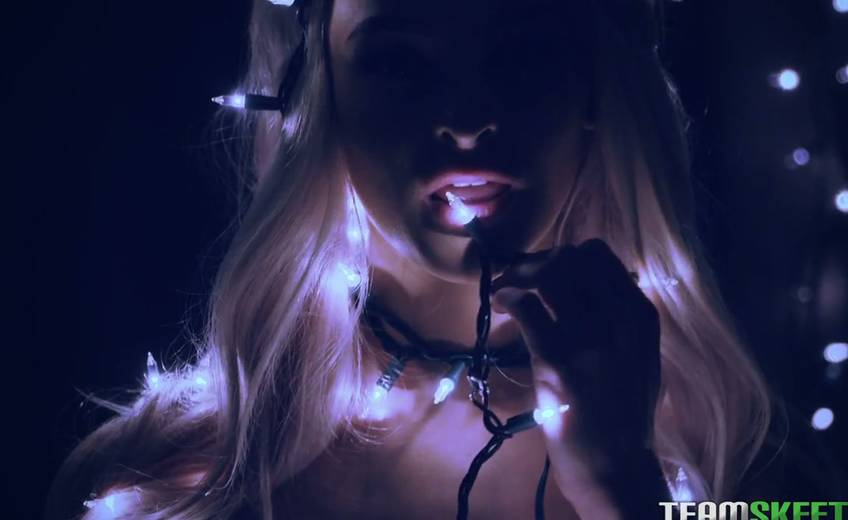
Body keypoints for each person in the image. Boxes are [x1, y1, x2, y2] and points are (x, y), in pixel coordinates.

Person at [46, 0, 787, 518]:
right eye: (399, 60)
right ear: (314, 99)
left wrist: (625, 492)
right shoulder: (174, 480)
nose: (467, 118)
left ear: (594, 82)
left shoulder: (732, 468)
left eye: (524, 49)